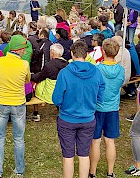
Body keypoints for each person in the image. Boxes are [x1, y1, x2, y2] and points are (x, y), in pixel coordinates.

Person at [52, 40, 105, 178]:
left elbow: (56, 99)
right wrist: (95, 100)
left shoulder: (64, 73)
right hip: (87, 119)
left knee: (68, 156)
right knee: (83, 154)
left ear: (71, 53)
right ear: (87, 54)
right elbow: (102, 90)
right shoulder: (96, 72)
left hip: (67, 119)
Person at [0, 35, 30, 178]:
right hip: (18, 103)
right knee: (19, 138)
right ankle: (19, 171)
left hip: (1, 102)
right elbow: (27, 80)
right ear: (19, 49)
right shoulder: (24, 64)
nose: (25, 51)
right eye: (24, 48)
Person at [89, 38, 124, 178]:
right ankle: (110, 172)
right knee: (110, 141)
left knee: (95, 141)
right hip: (112, 109)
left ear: (103, 51)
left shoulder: (97, 69)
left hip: (97, 108)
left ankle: (92, 172)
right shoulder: (121, 70)